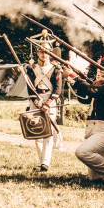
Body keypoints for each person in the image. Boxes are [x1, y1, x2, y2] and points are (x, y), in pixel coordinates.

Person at [26, 41, 64, 172]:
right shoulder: (31, 69)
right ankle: (41, 161)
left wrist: (47, 104)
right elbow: (30, 89)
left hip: (50, 102)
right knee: (37, 134)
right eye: (42, 51)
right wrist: (39, 103)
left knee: (48, 134)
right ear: (37, 53)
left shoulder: (56, 69)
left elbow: (58, 90)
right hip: (36, 101)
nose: (44, 54)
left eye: (47, 51)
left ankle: (45, 163)